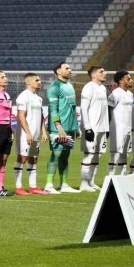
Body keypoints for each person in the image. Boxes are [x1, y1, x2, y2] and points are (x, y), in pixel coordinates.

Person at [45, 62, 79, 194]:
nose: (70, 70)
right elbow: (53, 110)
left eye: (70, 67)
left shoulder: (69, 86)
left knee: (65, 155)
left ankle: (63, 184)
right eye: (67, 68)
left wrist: (77, 127)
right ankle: (48, 185)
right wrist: (59, 128)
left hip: (70, 127)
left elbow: (73, 108)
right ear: (58, 72)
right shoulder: (54, 87)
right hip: (58, 129)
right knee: (56, 154)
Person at [13, 73, 49, 196]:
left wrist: (44, 132)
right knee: (22, 158)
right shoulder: (23, 97)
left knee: (33, 159)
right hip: (25, 134)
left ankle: (33, 186)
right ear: (28, 82)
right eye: (36, 80)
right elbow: (21, 116)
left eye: (39, 80)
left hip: (36, 134)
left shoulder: (38, 98)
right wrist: (28, 133)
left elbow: (41, 117)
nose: (39, 82)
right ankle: (18, 187)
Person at [79, 66, 109, 191]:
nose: (104, 73)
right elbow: (83, 108)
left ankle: (91, 181)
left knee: (98, 155)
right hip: (92, 128)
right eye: (101, 72)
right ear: (93, 75)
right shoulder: (88, 87)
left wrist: (107, 128)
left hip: (103, 127)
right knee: (89, 155)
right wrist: (88, 128)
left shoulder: (103, 88)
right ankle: (83, 184)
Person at [107, 70, 133, 176]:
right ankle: (111, 177)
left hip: (128, 128)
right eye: (128, 78)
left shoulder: (130, 94)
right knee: (115, 154)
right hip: (117, 129)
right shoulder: (116, 93)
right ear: (121, 81)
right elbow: (108, 110)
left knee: (125, 154)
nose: (131, 80)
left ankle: (122, 176)